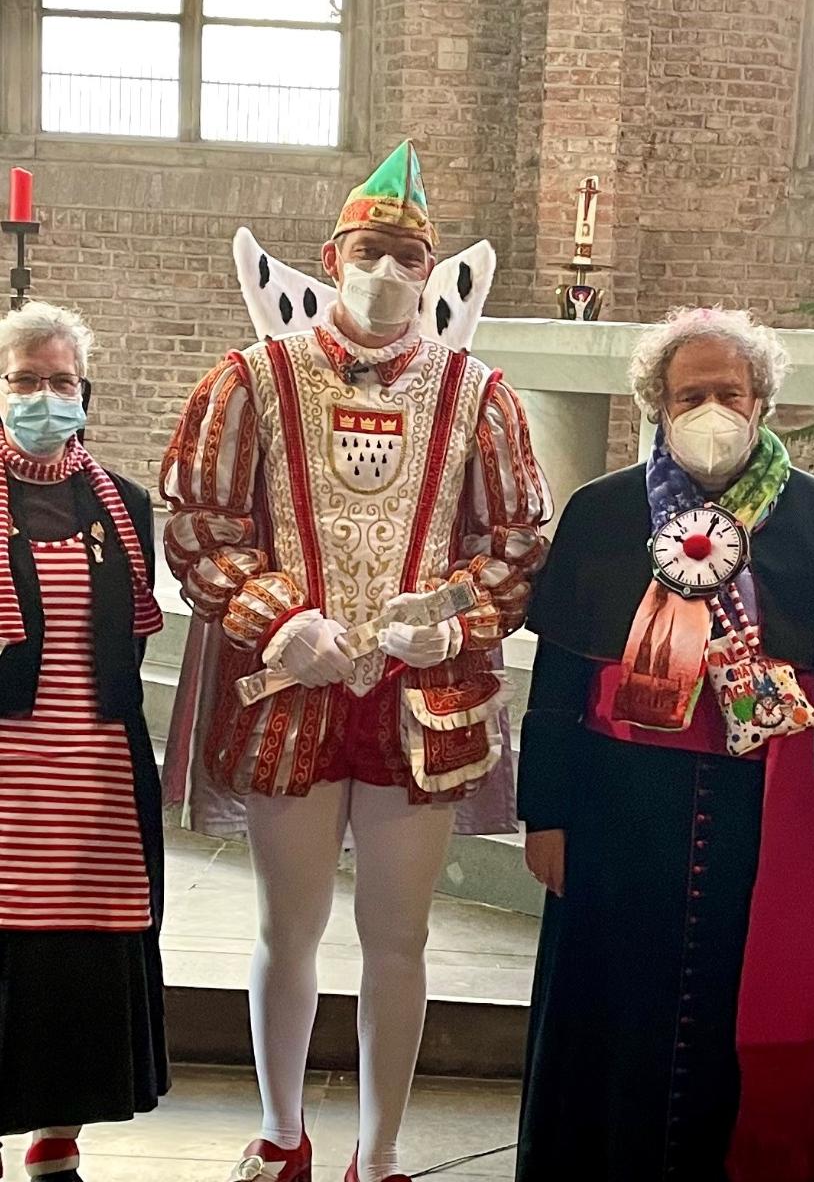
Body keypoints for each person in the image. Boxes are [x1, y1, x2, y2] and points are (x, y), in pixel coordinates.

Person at [159, 140, 549, 1182]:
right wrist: (279, 617)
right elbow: (200, 517)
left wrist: (456, 618)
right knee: (287, 928)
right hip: (292, 687)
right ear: (333, 256)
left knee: (399, 937)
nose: (387, 272)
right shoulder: (250, 379)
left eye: (407, 257)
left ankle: (377, 1155)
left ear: (433, 272)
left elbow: (515, 540)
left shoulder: (478, 394)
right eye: (370, 250)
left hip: (421, 698)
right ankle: (282, 1133)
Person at [516, 307, 814, 1181]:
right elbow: (560, 680)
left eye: (730, 391)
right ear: (656, 405)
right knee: (612, 1009)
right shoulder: (603, 512)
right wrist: (545, 817)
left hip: (765, 808)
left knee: (738, 1009)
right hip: (617, 804)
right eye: (690, 394)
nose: (712, 409)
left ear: (763, 403)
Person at [0, 302, 168, 1177]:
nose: (44, 395)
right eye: (25, 380)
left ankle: (57, 1127)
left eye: (60, 382)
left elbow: (131, 638)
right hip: (3, 769)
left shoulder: (124, 505)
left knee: (73, 950)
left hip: (93, 764)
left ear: (85, 393)